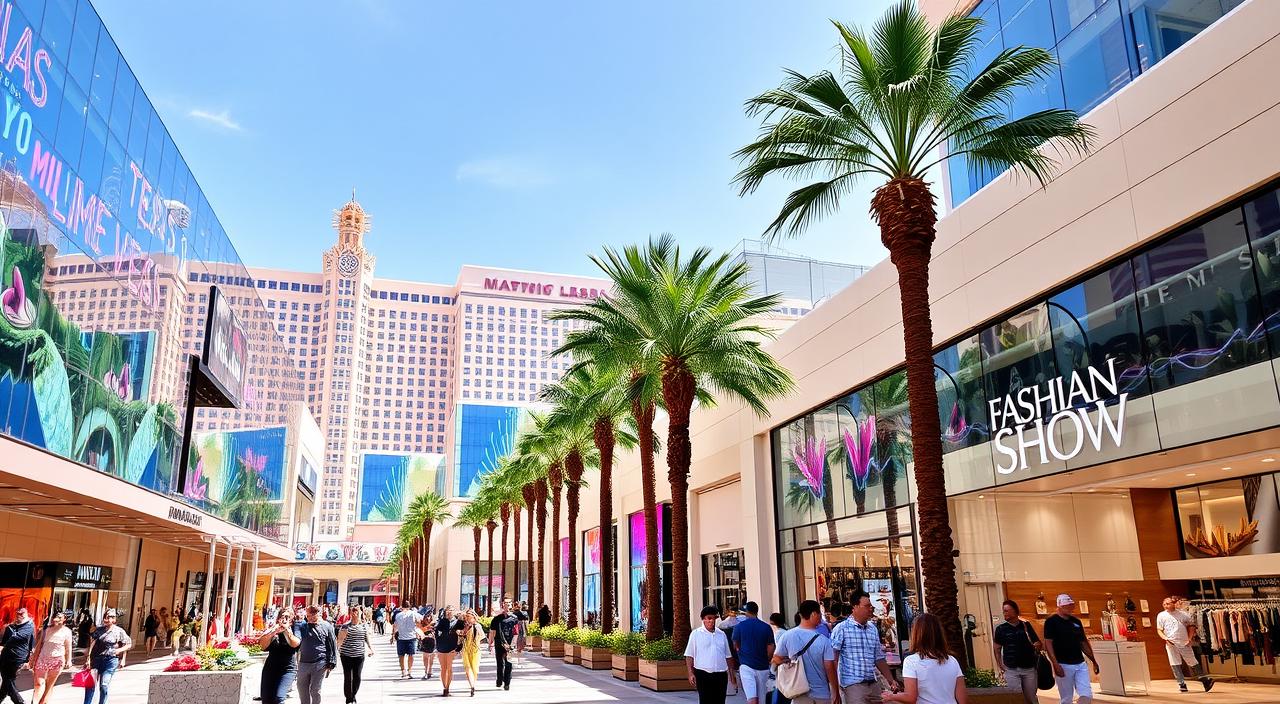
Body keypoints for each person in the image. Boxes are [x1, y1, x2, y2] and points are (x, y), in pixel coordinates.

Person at [831, 591, 901, 704]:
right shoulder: (841, 629)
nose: (870, 609)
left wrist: (891, 680)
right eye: (867, 606)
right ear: (855, 607)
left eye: (870, 605)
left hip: (873, 682)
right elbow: (834, 659)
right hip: (853, 686)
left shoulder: (872, 629)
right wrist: (835, 689)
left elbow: (878, 657)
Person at [882, 613, 965, 704]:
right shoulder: (952, 661)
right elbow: (963, 700)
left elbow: (910, 697)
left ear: (916, 634)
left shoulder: (911, 662)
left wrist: (891, 696)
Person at [772, 600, 837, 704]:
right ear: (813, 614)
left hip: (798, 693)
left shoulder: (787, 636)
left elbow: (776, 659)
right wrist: (835, 691)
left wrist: (789, 660)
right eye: (819, 613)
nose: (821, 617)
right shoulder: (823, 640)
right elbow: (829, 667)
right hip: (821, 694)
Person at [1043, 594, 1099, 704]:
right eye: (1067, 606)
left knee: (1086, 695)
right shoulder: (1051, 622)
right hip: (1063, 664)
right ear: (1059, 606)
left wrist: (1094, 661)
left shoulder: (1076, 621)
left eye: (1071, 606)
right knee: (1067, 698)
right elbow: (1048, 643)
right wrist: (1055, 664)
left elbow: (1083, 642)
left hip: (1080, 663)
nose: (1070, 608)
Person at [1156, 597, 1212, 693]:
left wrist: (1189, 638)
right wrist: (1165, 638)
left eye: (1168, 603)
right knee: (1175, 663)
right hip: (1171, 643)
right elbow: (1159, 629)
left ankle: (1205, 681)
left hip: (1184, 642)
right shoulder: (1161, 615)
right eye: (1164, 604)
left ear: (1174, 603)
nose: (1166, 605)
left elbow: (1191, 627)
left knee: (1193, 661)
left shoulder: (1184, 614)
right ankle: (1181, 684)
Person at [685, 606, 738, 704]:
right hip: (703, 674)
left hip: (720, 675)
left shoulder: (722, 634)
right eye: (709, 618)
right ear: (703, 619)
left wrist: (732, 676)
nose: (712, 621)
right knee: (705, 701)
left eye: (714, 618)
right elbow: (689, 655)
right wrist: (690, 673)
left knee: (720, 701)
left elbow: (728, 656)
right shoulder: (695, 634)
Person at [992, 600, 1041, 704]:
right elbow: (997, 648)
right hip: (1011, 669)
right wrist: (1000, 664)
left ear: (1015, 611)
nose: (1005, 613)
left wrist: (1037, 645)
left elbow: (1037, 642)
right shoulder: (1000, 629)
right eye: (1004, 611)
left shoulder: (1026, 626)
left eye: (1007, 611)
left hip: (1028, 668)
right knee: (1015, 698)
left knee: (1031, 698)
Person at [80, 609, 131, 704]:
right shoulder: (99, 630)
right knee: (90, 685)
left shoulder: (119, 631)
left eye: (110, 617)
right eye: (106, 617)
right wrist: (88, 659)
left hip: (110, 661)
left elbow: (127, 644)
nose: (107, 619)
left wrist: (121, 656)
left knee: (104, 685)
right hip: (96, 659)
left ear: (114, 619)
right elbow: (92, 643)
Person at [733, 602, 776, 704]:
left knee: (751, 698)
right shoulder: (766, 627)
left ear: (746, 612)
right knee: (762, 699)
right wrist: (767, 658)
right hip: (763, 667)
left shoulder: (739, 626)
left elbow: (735, 644)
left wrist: (740, 652)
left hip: (746, 665)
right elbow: (771, 646)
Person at [258, 609, 302, 704]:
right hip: (270, 668)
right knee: (266, 699)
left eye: (287, 617)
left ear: (292, 619)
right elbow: (262, 645)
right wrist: (274, 632)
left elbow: (295, 643)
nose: (284, 619)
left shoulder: (295, 628)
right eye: (282, 616)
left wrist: (286, 630)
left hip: (288, 669)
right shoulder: (273, 628)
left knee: (279, 697)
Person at [295, 605, 337, 704]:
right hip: (304, 662)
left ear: (318, 614)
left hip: (320, 662)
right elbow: (296, 636)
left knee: (315, 690)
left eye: (313, 615)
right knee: (301, 688)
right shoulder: (303, 626)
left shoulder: (327, 626)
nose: (311, 618)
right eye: (308, 616)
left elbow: (332, 643)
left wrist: (332, 662)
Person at [31, 610, 72, 704]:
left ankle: (43, 701)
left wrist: (69, 660)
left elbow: (68, 647)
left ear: (64, 619)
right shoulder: (45, 630)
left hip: (57, 661)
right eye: (55, 617)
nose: (56, 619)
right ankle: (35, 702)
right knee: (38, 683)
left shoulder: (67, 632)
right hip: (42, 658)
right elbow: (38, 646)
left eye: (60, 617)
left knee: (49, 685)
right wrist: (33, 659)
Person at [337, 606, 374, 704]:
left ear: (361, 613)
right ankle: (349, 698)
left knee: (357, 677)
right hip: (346, 655)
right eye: (353, 611)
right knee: (348, 677)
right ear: (350, 613)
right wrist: (338, 647)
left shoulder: (364, 626)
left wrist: (371, 648)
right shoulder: (345, 626)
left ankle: (353, 695)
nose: (355, 613)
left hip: (359, 655)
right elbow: (340, 639)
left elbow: (366, 638)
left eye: (357, 611)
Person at [0, 607, 35, 704]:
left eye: (22, 613)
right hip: (5, 656)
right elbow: (3, 643)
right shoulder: (10, 627)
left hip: (18, 658)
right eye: (18, 613)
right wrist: (6, 629)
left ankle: (19, 702)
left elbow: (20, 637)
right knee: (6, 682)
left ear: (27, 614)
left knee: (8, 680)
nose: (19, 615)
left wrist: (31, 659)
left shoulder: (29, 625)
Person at [488, 598, 520, 691]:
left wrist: (513, 644)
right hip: (499, 642)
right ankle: (499, 680)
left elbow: (516, 632)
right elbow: (492, 632)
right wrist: (490, 644)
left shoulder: (514, 618)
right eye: (506, 603)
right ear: (503, 605)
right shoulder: (496, 619)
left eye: (509, 603)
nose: (508, 605)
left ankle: (507, 683)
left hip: (510, 644)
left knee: (509, 663)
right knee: (500, 663)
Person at [435, 607, 461, 697]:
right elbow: (437, 632)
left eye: (451, 610)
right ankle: (444, 687)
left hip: (451, 647)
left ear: (454, 612)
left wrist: (458, 648)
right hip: (441, 647)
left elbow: (462, 635)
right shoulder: (442, 621)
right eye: (447, 611)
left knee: (449, 668)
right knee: (443, 668)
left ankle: (448, 688)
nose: (449, 612)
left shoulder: (458, 622)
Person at [459, 609, 485, 697]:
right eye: (466, 617)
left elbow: (482, 637)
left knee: (474, 669)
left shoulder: (477, 626)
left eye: (469, 616)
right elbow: (461, 636)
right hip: (466, 649)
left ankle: (472, 685)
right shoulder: (464, 626)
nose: (467, 618)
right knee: (467, 668)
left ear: (474, 617)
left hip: (475, 650)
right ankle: (472, 686)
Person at [391, 601, 419, 679]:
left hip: (401, 637)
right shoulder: (414, 613)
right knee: (411, 655)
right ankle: (409, 671)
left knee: (401, 655)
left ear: (401, 607)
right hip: (412, 637)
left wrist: (392, 636)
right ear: (409, 606)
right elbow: (420, 621)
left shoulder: (398, 615)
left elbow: (395, 626)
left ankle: (403, 671)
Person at [418, 608, 436, 681]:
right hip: (425, 641)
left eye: (429, 615)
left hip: (433, 641)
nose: (428, 617)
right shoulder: (421, 622)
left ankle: (430, 671)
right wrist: (428, 627)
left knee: (431, 658)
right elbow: (420, 630)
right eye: (427, 616)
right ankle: (426, 671)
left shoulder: (435, 623)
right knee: (425, 657)